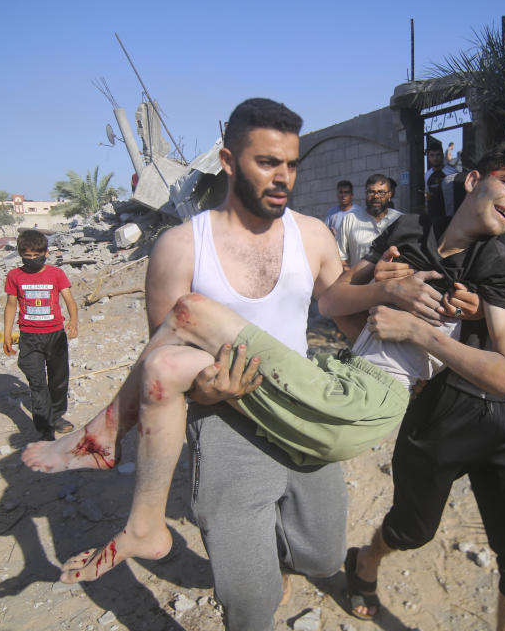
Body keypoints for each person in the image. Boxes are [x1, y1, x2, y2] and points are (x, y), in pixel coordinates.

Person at [23, 139, 505, 585]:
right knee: (166, 368)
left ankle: (104, 435)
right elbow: (333, 301)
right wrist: (387, 288)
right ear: (476, 178)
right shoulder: (409, 230)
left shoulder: (498, 267)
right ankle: (146, 526)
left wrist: (417, 331)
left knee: (188, 312)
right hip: (338, 373)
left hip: (372, 399)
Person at [22, 98, 346, 630]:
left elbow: (340, 308)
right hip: (224, 422)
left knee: (322, 556)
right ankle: (245, 585)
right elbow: (164, 358)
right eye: (267, 162)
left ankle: (103, 437)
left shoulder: (312, 234)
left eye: (291, 164)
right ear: (228, 159)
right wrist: (211, 391)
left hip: (303, 412)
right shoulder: (179, 246)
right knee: (247, 600)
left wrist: (392, 288)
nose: (283, 177)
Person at [347, 80, 505, 631]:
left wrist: (489, 310)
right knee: (413, 528)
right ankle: (365, 560)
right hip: (442, 400)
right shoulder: (460, 198)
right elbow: (405, 269)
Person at [3, 230, 78, 440]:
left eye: (37, 256)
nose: (33, 261)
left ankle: (56, 416)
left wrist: (73, 321)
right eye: (27, 257)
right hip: (29, 337)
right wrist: (6, 334)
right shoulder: (14, 276)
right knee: (37, 383)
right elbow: (10, 305)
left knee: (58, 381)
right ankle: (45, 428)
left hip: (55, 336)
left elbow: (69, 300)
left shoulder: (56, 274)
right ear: (20, 254)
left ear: (46, 252)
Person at [336, 173, 402, 268]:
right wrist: (349, 278)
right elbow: (340, 258)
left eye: (381, 192)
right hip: (358, 282)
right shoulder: (350, 219)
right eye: (371, 192)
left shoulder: (399, 220)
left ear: (389, 195)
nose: (376, 196)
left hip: (391, 282)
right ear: (366, 194)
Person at [424, 138, 458, 221]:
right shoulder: (427, 175)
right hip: (434, 217)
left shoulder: (453, 172)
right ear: (428, 157)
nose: (435, 158)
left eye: (438, 155)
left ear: (442, 155)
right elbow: (427, 195)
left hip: (451, 217)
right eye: (432, 155)